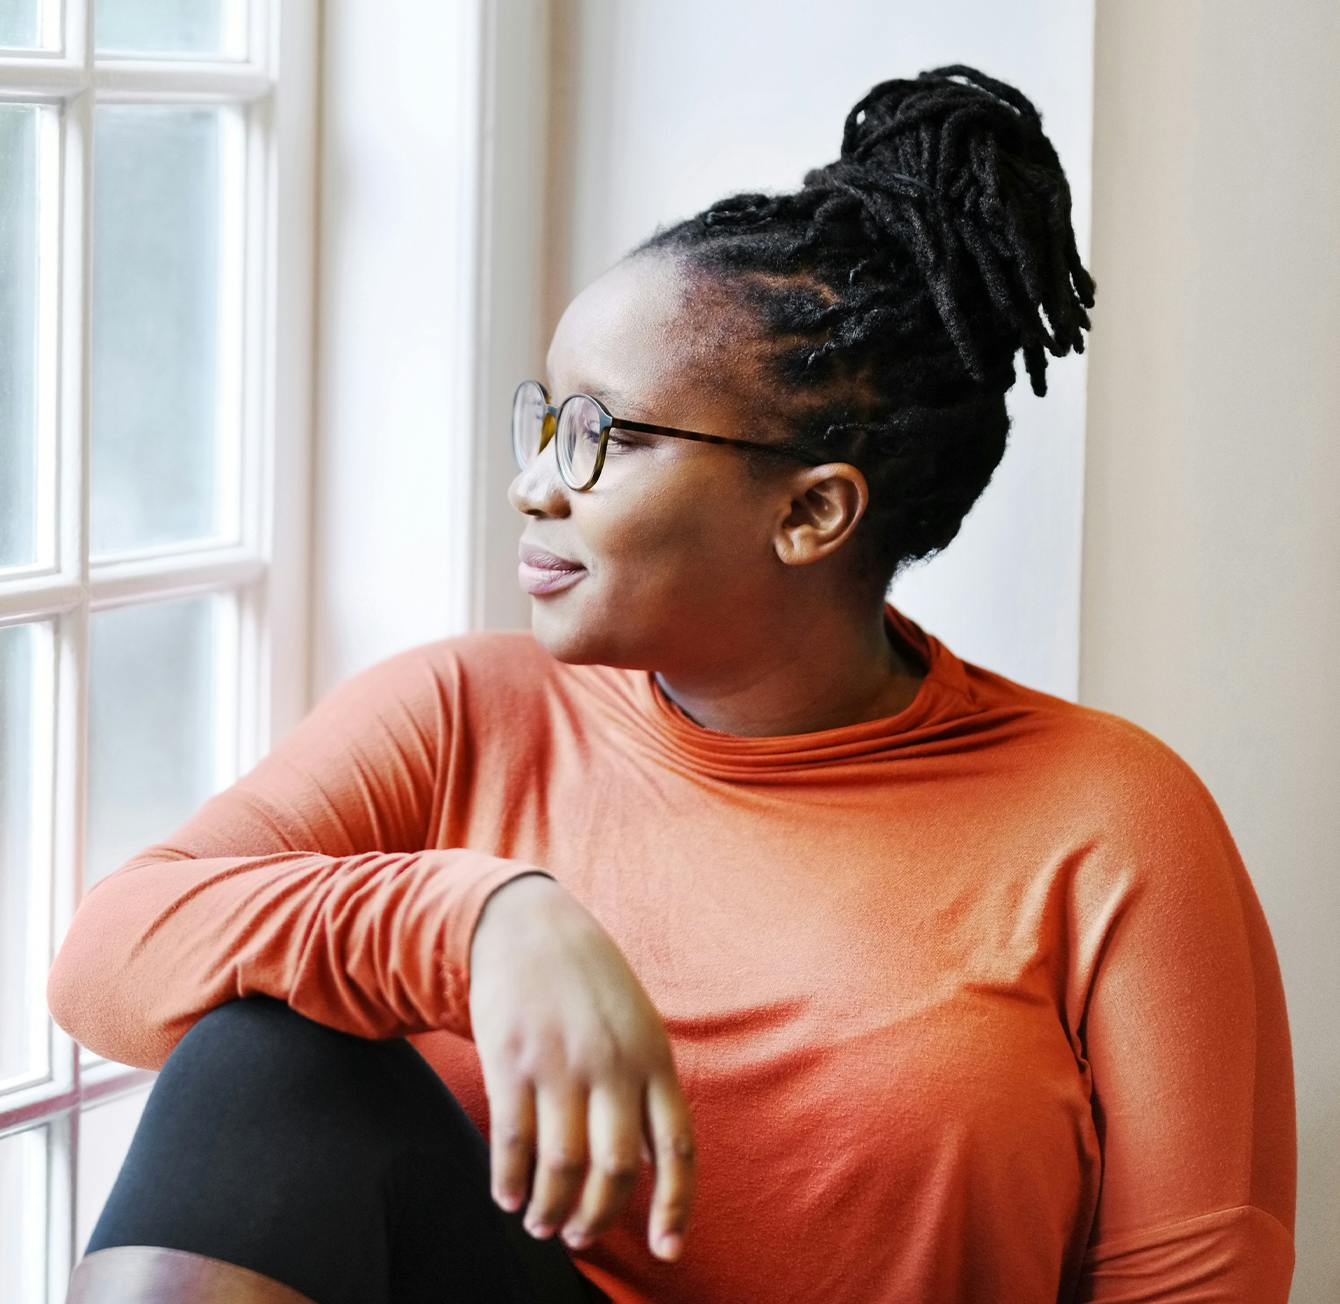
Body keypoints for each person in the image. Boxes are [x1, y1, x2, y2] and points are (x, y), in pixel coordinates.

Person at [48, 65, 1295, 1303]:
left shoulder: (1108, 818)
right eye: (543, 417)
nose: (537, 482)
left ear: (810, 511)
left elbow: (1190, 1281)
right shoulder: (462, 714)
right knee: (265, 1053)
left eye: (609, 435)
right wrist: (481, 917)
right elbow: (108, 960)